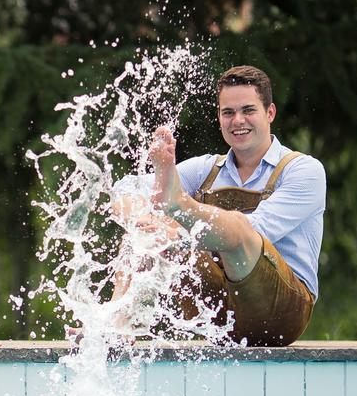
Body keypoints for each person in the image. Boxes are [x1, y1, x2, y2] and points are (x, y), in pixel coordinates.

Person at [110, 65, 325, 345]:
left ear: (270, 113)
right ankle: (117, 326)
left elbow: (255, 230)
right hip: (218, 316)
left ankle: (179, 204)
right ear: (219, 117)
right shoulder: (207, 169)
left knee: (237, 229)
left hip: (280, 314)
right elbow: (124, 188)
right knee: (145, 232)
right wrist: (145, 219)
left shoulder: (302, 170)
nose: (238, 120)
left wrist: (177, 221)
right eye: (228, 112)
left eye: (248, 110)